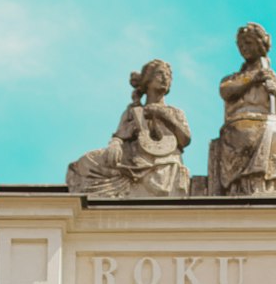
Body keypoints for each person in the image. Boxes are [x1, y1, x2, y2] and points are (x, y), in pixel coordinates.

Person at [67, 60, 191, 199]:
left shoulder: (175, 112)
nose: (165, 78)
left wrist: (163, 114)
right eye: (160, 74)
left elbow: (185, 139)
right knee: (85, 162)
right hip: (132, 159)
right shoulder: (133, 111)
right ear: (147, 81)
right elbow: (119, 136)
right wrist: (115, 143)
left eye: (168, 75)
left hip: (164, 161)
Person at [213, 23, 276, 196]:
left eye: (248, 43)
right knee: (245, 133)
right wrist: (253, 78)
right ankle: (245, 187)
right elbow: (226, 91)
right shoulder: (233, 79)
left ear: (260, 44)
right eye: (241, 45)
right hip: (240, 123)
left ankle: (271, 186)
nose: (244, 48)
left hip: (272, 123)